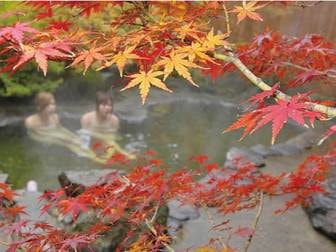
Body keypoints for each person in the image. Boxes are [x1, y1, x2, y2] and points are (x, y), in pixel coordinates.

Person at [25, 92, 106, 164]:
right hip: (43, 140)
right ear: (40, 107)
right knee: (69, 142)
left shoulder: (54, 118)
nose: (52, 107)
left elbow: (61, 129)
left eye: (53, 104)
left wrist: (73, 136)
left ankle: (93, 155)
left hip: (53, 136)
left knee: (79, 140)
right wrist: (64, 139)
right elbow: (39, 134)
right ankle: (91, 156)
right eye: (48, 105)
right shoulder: (31, 121)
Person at [80, 91, 134, 159]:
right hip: (92, 143)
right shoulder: (87, 118)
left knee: (111, 146)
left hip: (108, 143)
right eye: (104, 105)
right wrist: (84, 148)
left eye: (110, 105)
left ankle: (120, 153)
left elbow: (113, 137)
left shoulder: (114, 120)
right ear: (97, 105)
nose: (107, 108)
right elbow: (84, 137)